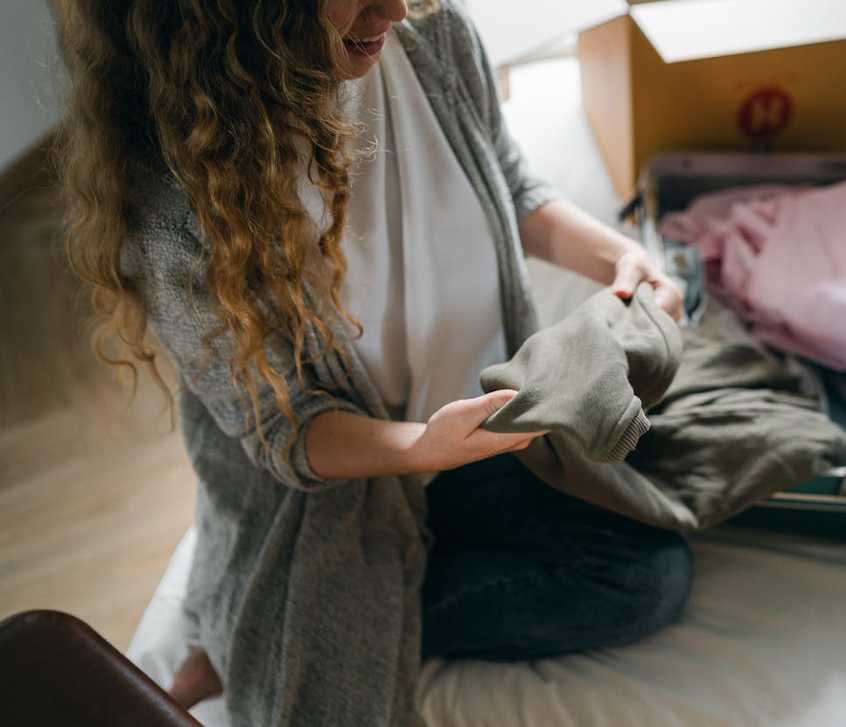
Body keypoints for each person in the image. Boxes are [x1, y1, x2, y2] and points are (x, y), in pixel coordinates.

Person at [59, 0, 693, 723]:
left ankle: (302, 616)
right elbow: (287, 430)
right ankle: (253, 625)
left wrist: (619, 255)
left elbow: (512, 186)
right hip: (333, 491)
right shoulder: (174, 202)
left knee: (652, 573)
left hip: (484, 421)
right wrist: (425, 446)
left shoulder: (431, 35)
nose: (395, 7)